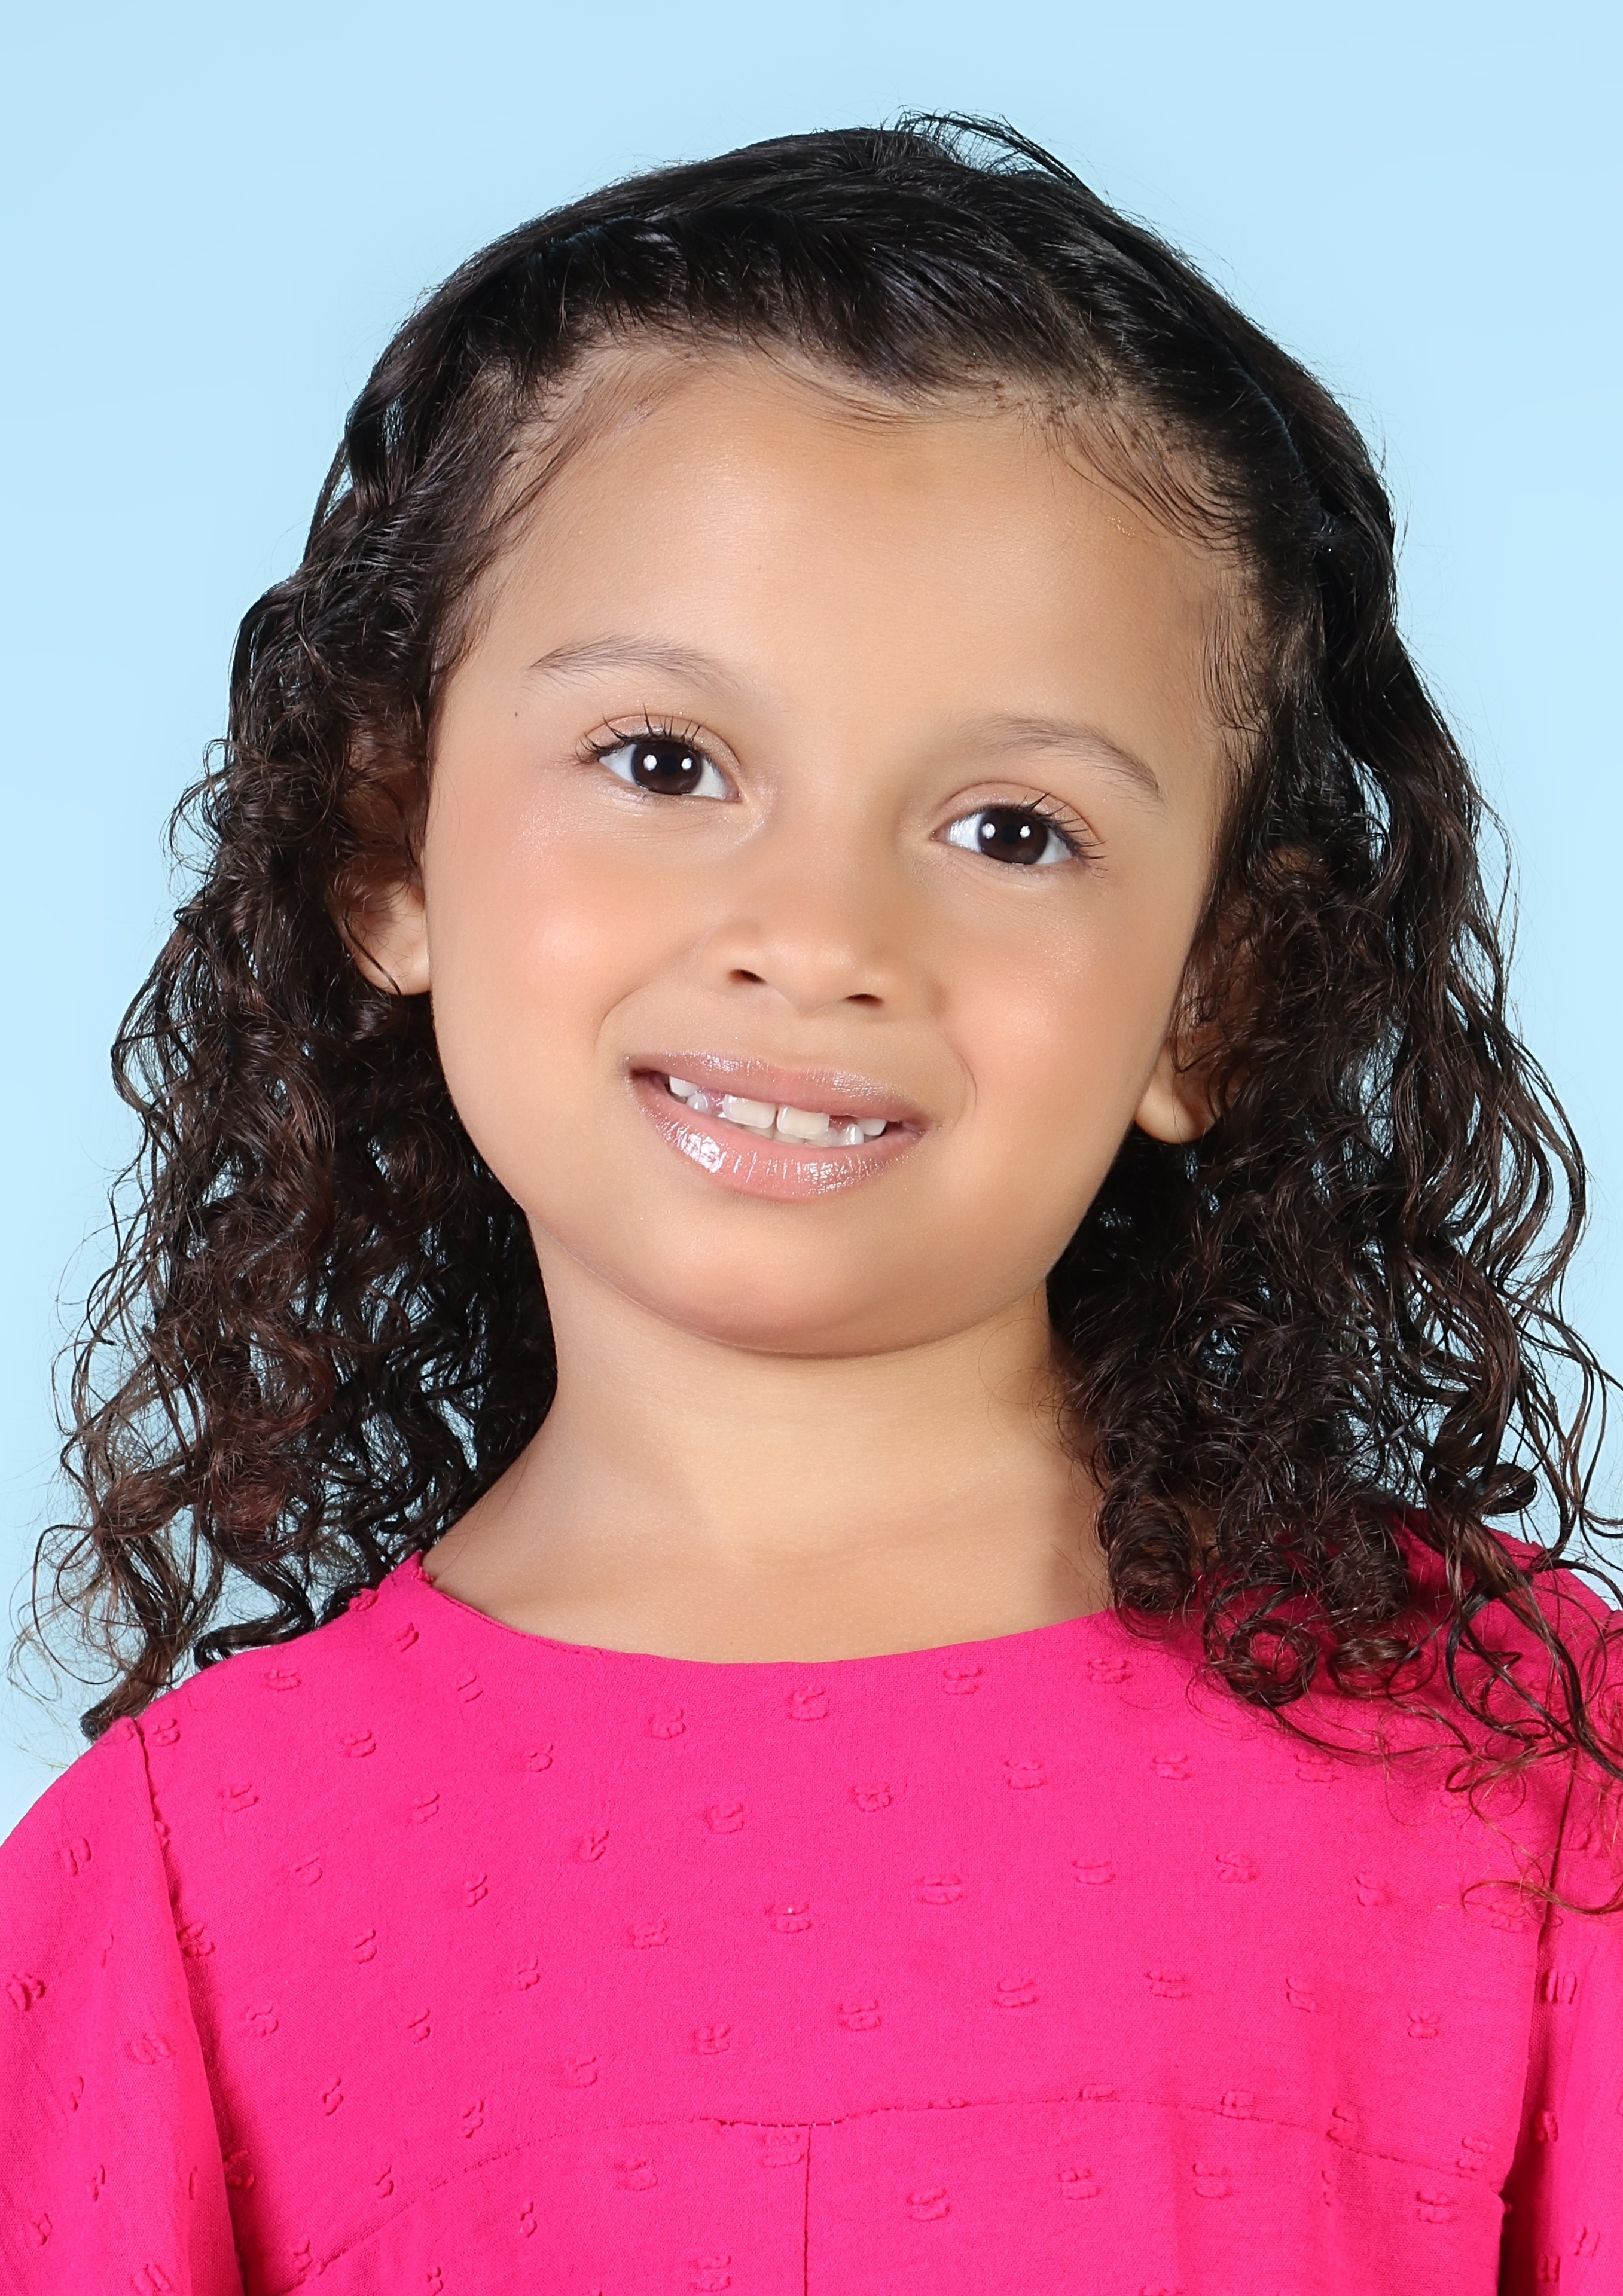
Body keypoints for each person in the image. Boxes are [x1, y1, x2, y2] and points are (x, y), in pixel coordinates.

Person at [2, 115, 1619, 2295]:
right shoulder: (179, 1892)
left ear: (1209, 999)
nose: (818, 935)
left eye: (1011, 829)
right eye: (664, 764)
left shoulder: (1524, 1769)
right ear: (385, 846)